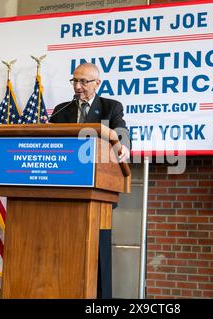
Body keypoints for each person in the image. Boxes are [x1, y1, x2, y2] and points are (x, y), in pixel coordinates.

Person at [49, 63, 130, 298]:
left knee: (97, 253)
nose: (77, 86)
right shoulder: (61, 110)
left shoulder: (110, 107)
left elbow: (121, 132)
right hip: (63, 192)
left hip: (98, 193)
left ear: (97, 83)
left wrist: (123, 146)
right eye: (74, 81)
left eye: (84, 81)